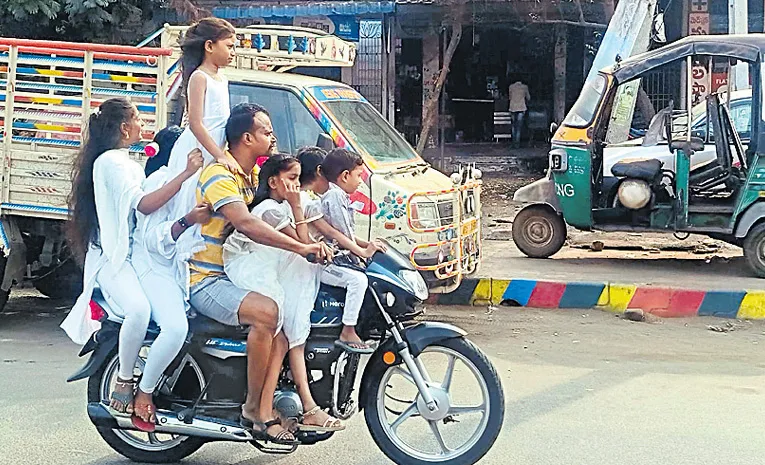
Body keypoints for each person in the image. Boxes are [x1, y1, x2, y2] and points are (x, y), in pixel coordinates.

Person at [188, 103, 331, 444]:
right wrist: (301, 247)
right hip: (206, 278)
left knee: (282, 326)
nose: (273, 137)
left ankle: (275, 401)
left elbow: (301, 198)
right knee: (268, 313)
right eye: (266, 131)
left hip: (232, 272)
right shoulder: (219, 174)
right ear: (247, 137)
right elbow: (246, 223)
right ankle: (254, 409)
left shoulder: (250, 176)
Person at [62, 98, 204, 420]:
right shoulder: (112, 162)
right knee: (139, 310)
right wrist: (185, 174)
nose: (143, 124)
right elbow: (144, 205)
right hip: (112, 259)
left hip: (129, 254)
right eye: (137, 118)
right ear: (125, 128)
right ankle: (125, 381)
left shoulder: (124, 160)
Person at [223, 154, 344, 433]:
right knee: (279, 337)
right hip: (251, 268)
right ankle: (262, 412)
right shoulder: (269, 208)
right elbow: (301, 242)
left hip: (266, 267)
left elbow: (307, 241)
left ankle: (270, 407)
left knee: (283, 339)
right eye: (291, 179)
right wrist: (296, 206)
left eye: (298, 179)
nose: (296, 185)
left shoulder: (279, 206)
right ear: (274, 181)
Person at [128, 133, 213, 432]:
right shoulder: (161, 180)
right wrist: (188, 220)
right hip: (153, 266)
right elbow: (152, 239)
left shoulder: (194, 182)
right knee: (176, 328)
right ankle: (144, 391)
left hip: (178, 268)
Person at [165, 17, 237, 259]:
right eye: (229, 46)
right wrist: (219, 155)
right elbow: (196, 123)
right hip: (198, 148)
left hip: (215, 148)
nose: (232, 52)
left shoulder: (222, 78)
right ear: (209, 46)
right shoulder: (200, 77)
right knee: (188, 201)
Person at [318, 149, 386, 353]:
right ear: (345, 176)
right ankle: (348, 329)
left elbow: (344, 234)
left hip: (336, 256)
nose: (360, 182)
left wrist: (367, 245)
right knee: (358, 280)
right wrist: (363, 252)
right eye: (358, 176)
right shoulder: (335, 196)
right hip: (327, 261)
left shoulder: (338, 195)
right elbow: (342, 236)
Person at [508, 79, 530, 148]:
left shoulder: (511, 87)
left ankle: (513, 142)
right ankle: (517, 144)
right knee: (519, 127)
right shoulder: (525, 87)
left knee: (513, 126)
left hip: (513, 108)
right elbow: (528, 98)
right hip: (521, 108)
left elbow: (510, 97)